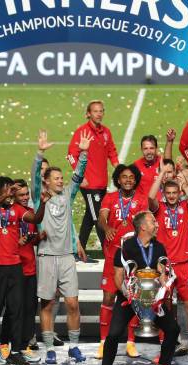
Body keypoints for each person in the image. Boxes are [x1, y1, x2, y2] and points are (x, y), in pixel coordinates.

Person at [99, 211, 180, 365]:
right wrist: (131, 296)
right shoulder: (125, 247)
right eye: (153, 222)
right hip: (129, 297)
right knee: (113, 334)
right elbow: (118, 277)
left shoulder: (159, 247)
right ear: (142, 227)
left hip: (152, 298)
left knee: (173, 329)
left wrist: (162, 284)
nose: (157, 224)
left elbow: (162, 273)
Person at [0, 172, 47, 365]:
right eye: (6, 190)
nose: (10, 194)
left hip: (14, 267)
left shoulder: (16, 209)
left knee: (15, 311)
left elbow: (35, 218)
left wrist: (43, 203)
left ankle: (15, 352)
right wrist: (3, 196)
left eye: (11, 190)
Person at [38, 130, 92, 365]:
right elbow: (33, 176)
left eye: (61, 177)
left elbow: (78, 177)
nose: (61, 180)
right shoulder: (37, 197)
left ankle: (74, 347)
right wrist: (40, 153)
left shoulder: (67, 196)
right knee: (48, 304)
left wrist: (84, 153)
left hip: (67, 257)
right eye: (57, 178)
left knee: (72, 303)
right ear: (47, 181)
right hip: (47, 256)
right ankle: (49, 348)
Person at [149, 164, 188, 364]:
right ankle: (164, 350)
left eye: (175, 192)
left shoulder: (186, 207)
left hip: (185, 265)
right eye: (168, 193)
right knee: (165, 312)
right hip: (165, 268)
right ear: (164, 193)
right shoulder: (158, 208)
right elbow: (150, 198)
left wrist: (185, 176)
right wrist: (160, 175)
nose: (172, 196)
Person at [97, 164, 148, 359]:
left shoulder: (142, 200)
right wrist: (107, 227)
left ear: (135, 180)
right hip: (113, 255)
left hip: (133, 257)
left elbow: (145, 223)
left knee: (132, 298)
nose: (127, 180)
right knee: (108, 298)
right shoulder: (110, 198)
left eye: (131, 177)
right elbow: (102, 217)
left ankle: (130, 342)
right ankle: (103, 343)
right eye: (124, 177)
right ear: (118, 179)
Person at [0, 179, 42, 365]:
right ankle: (4, 345)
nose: (24, 198)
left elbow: (34, 240)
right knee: (12, 310)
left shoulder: (30, 214)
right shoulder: (8, 213)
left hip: (30, 267)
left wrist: (37, 238)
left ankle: (24, 345)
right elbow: (4, 240)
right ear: (13, 196)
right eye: (21, 195)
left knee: (29, 309)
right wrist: (18, 243)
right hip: (14, 268)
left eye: (26, 195)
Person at [67, 100, 119, 255]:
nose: (99, 114)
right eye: (95, 111)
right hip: (89, 185)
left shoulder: (106, 132)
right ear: (88, 114)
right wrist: (79, 176)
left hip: (102, 184)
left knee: (91, 217)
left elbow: (112, 151)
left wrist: (119, 167)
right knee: (99, 219)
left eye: (101, 111)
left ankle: (79, 248)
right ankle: (107, 251)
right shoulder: (82, 132)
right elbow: (70, 155)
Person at [134, 131, 175, 196]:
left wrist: (169, 141)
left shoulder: (161, 162)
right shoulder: (135, 166)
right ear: (141, 149)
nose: (149, 152)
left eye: (151, 148)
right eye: (145, 149)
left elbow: (168, 161)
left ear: (156, 148)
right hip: (144, 205)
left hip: (161, 204)